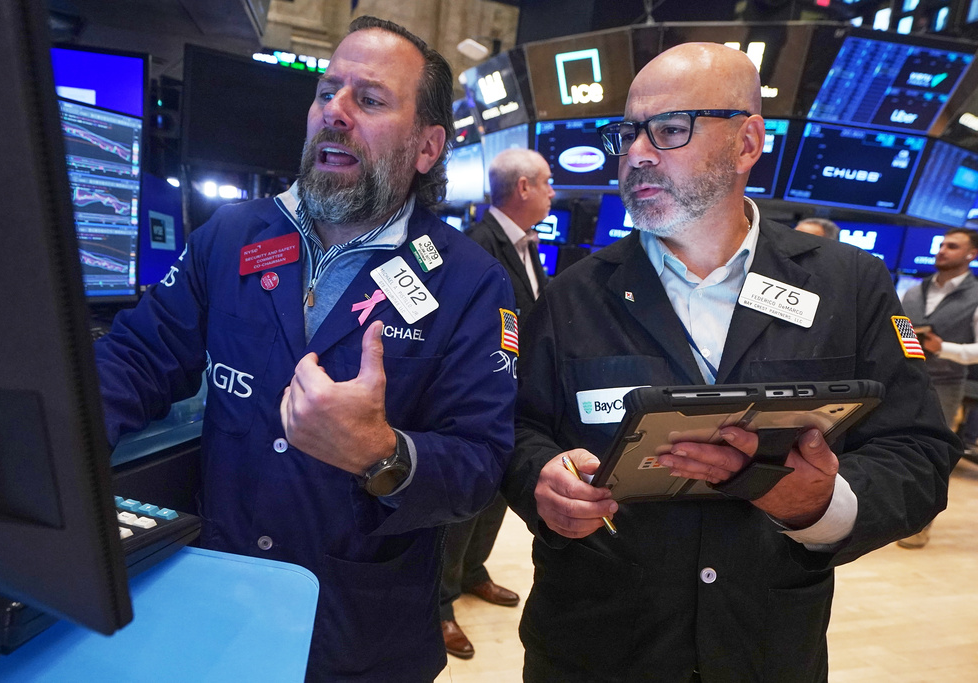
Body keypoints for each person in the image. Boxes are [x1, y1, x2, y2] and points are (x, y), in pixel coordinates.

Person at [501, 42, 958, 682]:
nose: (637, 153)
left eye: (670, 129)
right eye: (627, 134)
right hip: (595, 644)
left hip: (766, 646)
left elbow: (917, 450)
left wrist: (821, 504)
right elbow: (518, 429)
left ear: (748, 142)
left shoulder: (850, 285)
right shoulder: (573, 293)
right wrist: (541, 481)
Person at [94, 16, 517, 681]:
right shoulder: (230, 237)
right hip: (218, 602)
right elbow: (137, 358)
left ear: (427, 146)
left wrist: (381, 452)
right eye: (326, 92)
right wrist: (44, 442)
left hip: (358, 633)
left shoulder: (469, 281)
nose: (334, 112)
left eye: (368, 99)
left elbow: (480, 465)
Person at [437, 148, 554, 659]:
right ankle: (440, 604)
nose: (553, 193)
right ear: (523, 187)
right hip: (477, 400)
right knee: (464, 505)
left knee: (497, 497)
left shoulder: (527, 244)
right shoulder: (476, 244)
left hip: (515, 397)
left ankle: (472, 572)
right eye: (547, 183)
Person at [898, 227, 978, 548]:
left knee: (933, 454)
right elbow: (899, 329)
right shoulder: (914, 291)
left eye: (952, 246)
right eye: (942, 245)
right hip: (904, 378)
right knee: (894, 446)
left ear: (971, 254)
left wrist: (943, 347)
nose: (942, 250)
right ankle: (892, 516)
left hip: (946, 384)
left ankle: (921, 523)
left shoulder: (975, 295)